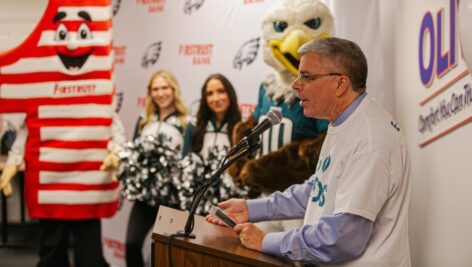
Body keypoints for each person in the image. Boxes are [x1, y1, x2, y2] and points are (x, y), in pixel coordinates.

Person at [207, 37, 411, 266]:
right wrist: (250, 209)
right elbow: (317, 190)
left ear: (340, 84)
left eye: (307, 76)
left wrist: (266, 241)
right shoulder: (346, 122)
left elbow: (342, 238)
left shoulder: (370, 139)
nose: (295, 84)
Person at [124, 70, 188, 267]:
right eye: (156, 89)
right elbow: (134, 153)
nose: (161, 93)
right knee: (131, 244)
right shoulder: (144, 120)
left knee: (161, 252)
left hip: (172, 199)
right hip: (145, 198)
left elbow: (187, 159)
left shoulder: (186, 123)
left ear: (174, 90)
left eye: (165, 88)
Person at [181, 73, 246, 215]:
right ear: (204, 99)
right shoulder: (194, 126)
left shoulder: (241, 127)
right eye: (210, 94)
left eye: (221, 91)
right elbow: (184, 162)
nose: (216, 98)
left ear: (230, 94)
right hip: (197, 204)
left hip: (228, 207)